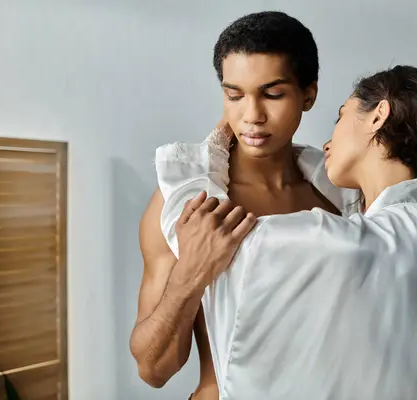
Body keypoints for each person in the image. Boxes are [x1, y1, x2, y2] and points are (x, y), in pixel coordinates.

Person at [158, 65, 417, 399]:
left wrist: (206, 155)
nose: (327, 143)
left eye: (340, 118)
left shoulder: (333, 241)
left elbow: (207, 236)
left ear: (378, 115)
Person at [129, 11, 356, 399]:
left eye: (272, 94)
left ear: (308, 94)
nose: (251, 116)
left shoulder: (338, 197)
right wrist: (191, 274)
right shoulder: (190, 202)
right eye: (234, 95)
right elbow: (153, 370)